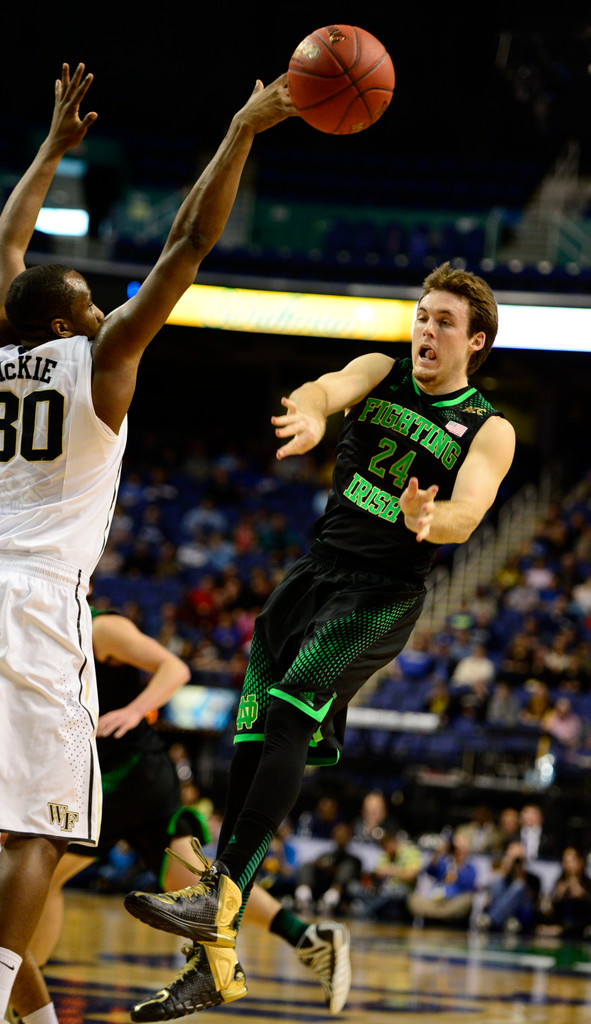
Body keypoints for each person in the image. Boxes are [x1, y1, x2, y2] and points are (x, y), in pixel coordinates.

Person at [125, 261, 516, 1013]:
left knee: (289, 712)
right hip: (309, 578)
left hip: (380, 595)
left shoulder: (487, 427)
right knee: (247, 749)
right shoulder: (380, 369)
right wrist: (306, 414)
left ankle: (219, 899)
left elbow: (471, 510)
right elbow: (325, 388)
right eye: (422, 315)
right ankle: (215, 961)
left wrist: (429, 521)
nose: (426, 329)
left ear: (476, 341)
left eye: (443, 322)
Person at [0, 60, 294, 1024]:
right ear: (61, 323)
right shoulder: (99, 359)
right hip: (38, 604)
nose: (100, 308)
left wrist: (47, 151)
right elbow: (189, 240)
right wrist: (244, 128)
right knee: (39, 837)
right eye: (85, 301)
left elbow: (7, 245)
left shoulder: (6, 349)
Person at [7, 609, 351, 1021]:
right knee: (189, 878)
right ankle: (308, 937)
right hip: (116, 774)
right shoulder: (39, 631)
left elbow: (174, 668)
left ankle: (22, 1000)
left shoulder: (101, 627)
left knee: (43, 868)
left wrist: (135, 711)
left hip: (128, 770)